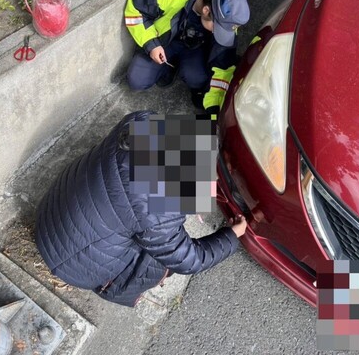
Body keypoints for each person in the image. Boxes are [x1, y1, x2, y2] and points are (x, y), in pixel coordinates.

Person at [35, 111, 247, 308]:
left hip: (50, 212)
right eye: (210, 174)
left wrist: (193, 192)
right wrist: (232, 235)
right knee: (158, 263)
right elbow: (189, 260)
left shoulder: (141, 121)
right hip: (68, 262)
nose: (215, 180)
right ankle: (112, 288)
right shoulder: (158, 214)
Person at [124, 0, 250, 113]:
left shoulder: (227, 19)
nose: (218, 33)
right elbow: (134, 9)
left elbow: (223, 66)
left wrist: (213, 109)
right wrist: (151, 44)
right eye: (217, 28)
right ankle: (170, 65)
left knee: (197, 79)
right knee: (137, 80)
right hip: (164, 41)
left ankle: (179, 67)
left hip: (195, 48)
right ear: (206, 10)